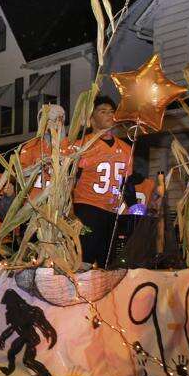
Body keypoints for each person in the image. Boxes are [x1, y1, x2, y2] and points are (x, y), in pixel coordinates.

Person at [68, 95, 134, 267]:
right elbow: (70, 180)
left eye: (111, 111)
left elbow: (127, 184)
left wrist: (133, 211)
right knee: (84, 261)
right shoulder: (82, 145)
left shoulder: (126, 148)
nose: (108, 115)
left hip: (113, 211)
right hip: (87, 208)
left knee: (109, 264)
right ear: (91, 118)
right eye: (102, 111)